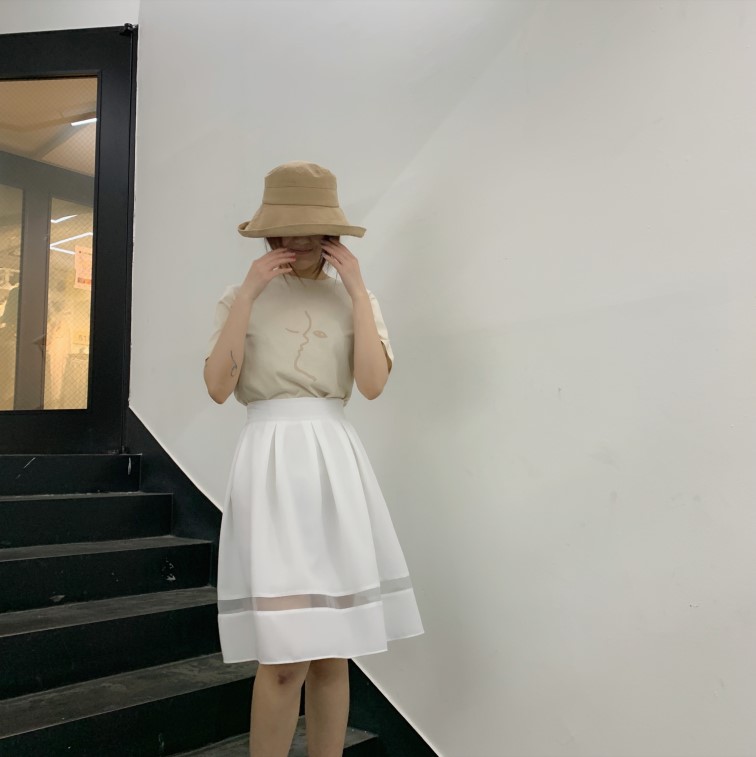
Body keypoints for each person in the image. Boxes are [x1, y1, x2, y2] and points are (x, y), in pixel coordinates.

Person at [203, 161, 424, 757]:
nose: (299, 241)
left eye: (311, 228)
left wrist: (356, 291)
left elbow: (371, 385)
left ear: (332, 232)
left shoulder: (355, 299)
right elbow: (219, 387)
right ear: (269, 231)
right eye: (287, 228)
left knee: (333, 652)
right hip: (269, 464)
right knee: (282, 659)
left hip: (332, 461)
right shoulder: (239, 297)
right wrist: (249, 293)